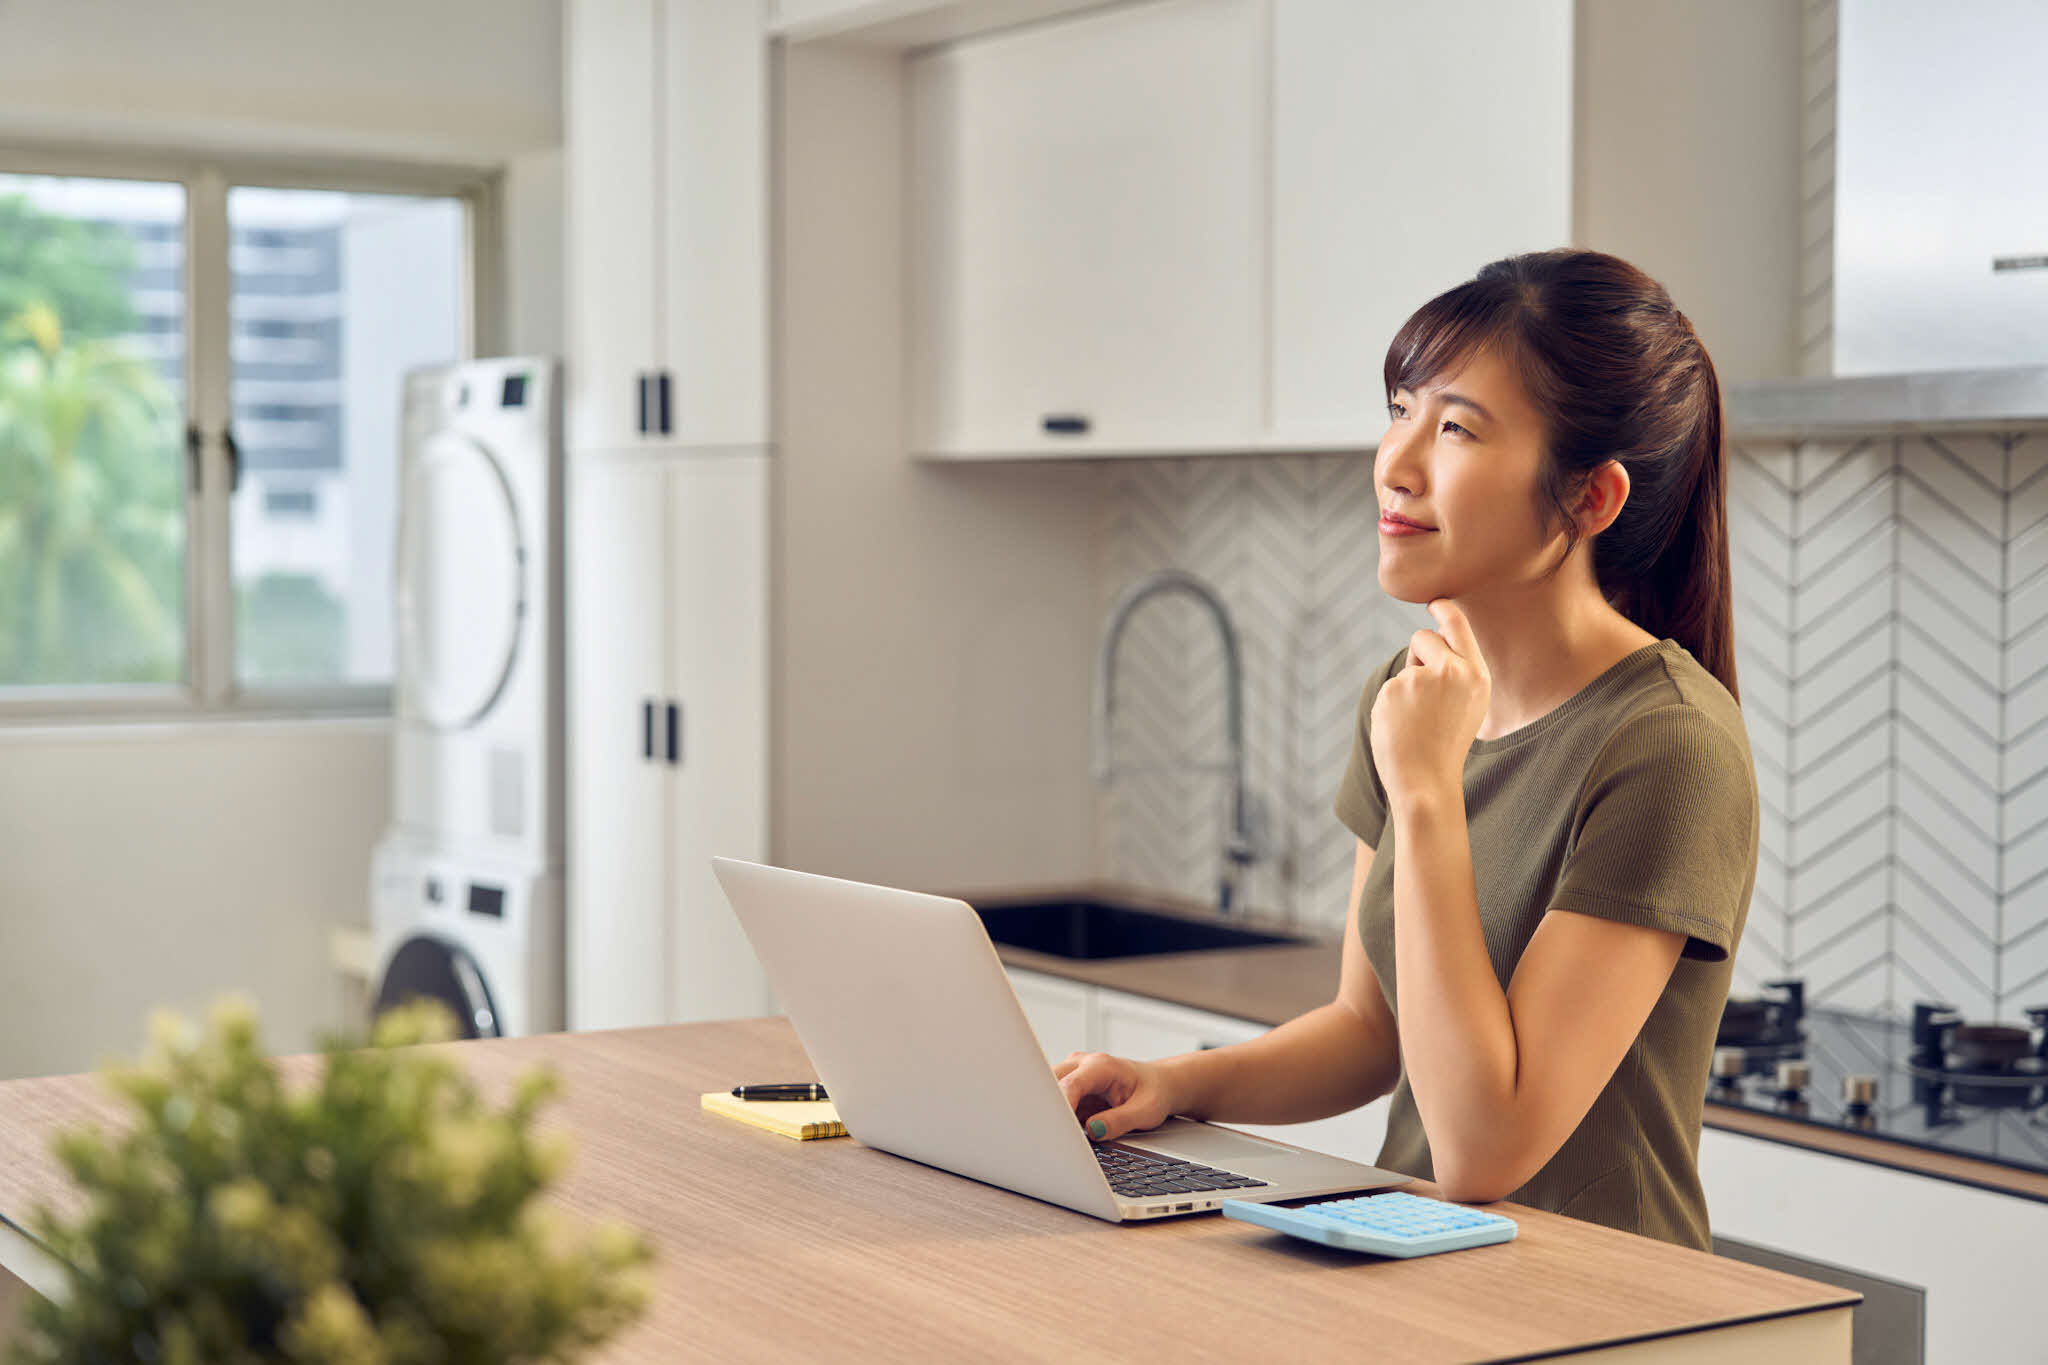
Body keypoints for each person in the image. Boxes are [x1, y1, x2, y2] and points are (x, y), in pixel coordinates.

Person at [1056, 247, 1759, 1252]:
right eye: (1400, 410)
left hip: (1604, 1306)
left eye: (1457, 428)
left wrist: (1427, 793)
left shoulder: (1666, 745)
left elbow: (1484, 1150)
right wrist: (1173, 1084)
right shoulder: (1412, 690)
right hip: (1416, 1263)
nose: (1395, 461)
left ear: (1590, 500)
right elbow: (1366, 1031)